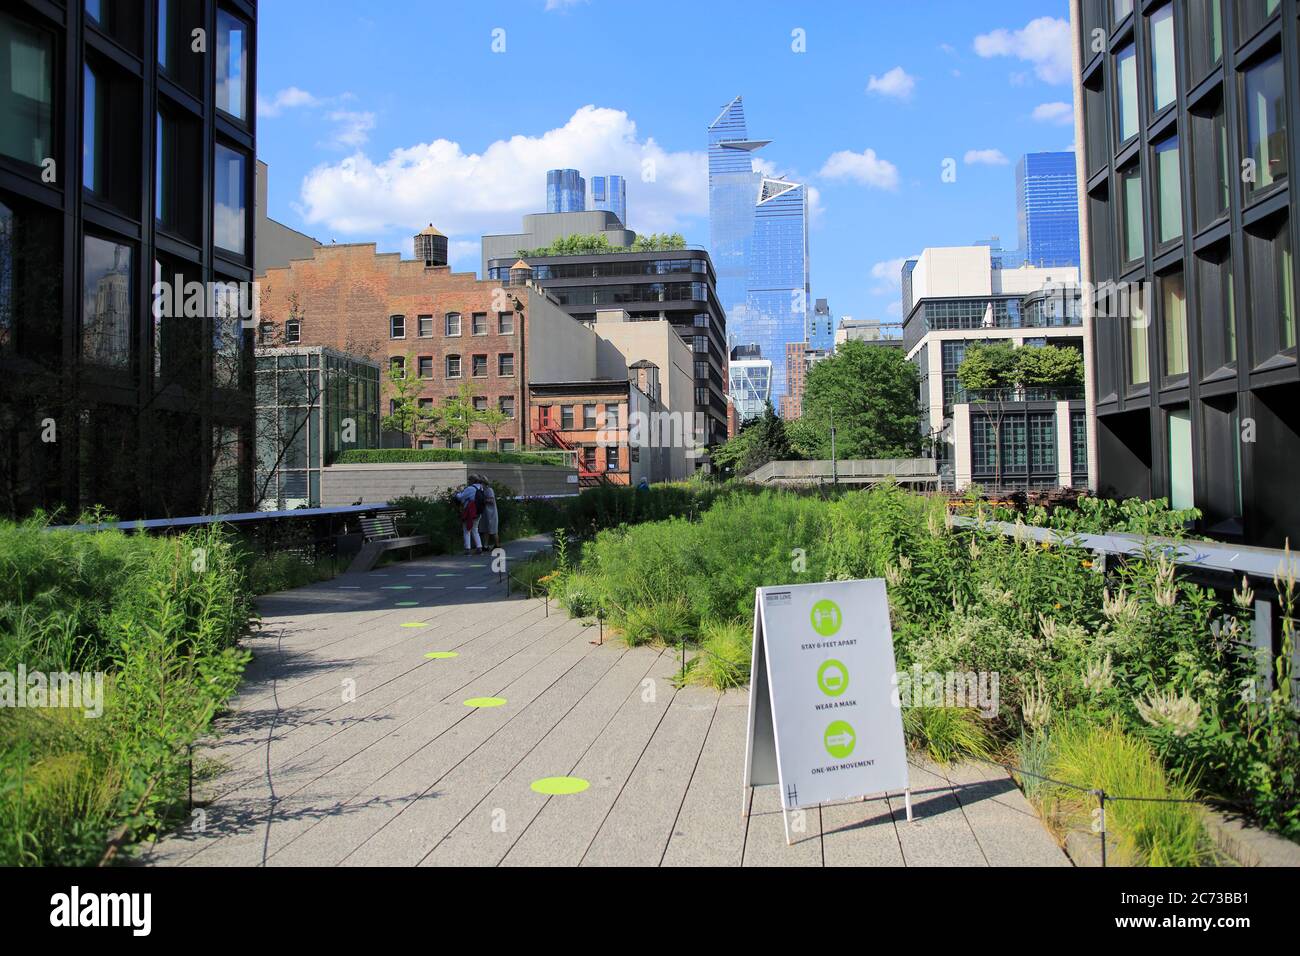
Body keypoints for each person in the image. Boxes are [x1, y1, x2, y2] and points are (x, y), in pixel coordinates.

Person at [454, 481, 482, 555]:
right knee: (475, 530)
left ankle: (467, 549)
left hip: (469, 512)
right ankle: (479, 547)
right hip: (478, 512)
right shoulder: (481, 488)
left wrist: (457, 494)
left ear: (471, 481)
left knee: (466, 530)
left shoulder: (470, 488)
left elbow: (461, 497)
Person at [473, 474, 500, 551]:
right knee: (485, 530)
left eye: (480, 483)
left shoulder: (489, 490)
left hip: (491, 513)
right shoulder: (481, 491)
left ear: (484, 483)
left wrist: (482, 500)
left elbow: (491, 501)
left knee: (493, 530)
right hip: (485, 513)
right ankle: (485, 545)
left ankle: (497, 545)